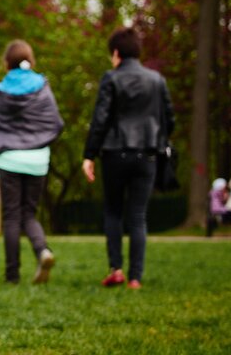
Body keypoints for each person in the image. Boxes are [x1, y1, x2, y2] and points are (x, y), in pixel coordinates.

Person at [82, 27, 175, 289]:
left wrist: (89, 155)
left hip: (114, 152)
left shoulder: (111, 79)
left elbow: (100, 119)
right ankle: (135, 277)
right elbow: (169, 118)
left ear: (116, 52)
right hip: (147, 154)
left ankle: (116, 269)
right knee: (138, 215)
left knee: (113, 211)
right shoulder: (157, 80)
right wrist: (156, 140)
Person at [0, 40, 64, 284]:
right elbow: (55, 120)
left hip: (10, 160)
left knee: (12, 216)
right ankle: (42, 251)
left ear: (6, 64)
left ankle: (12, 274)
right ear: (31, 61)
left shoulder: (0, 90)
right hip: (38, 160)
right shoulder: (43, 87)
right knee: (29, 213)